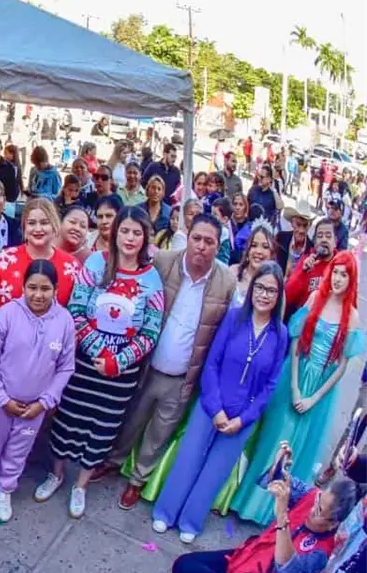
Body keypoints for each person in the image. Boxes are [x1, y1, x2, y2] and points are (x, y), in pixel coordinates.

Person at [96, 213, 236, 508]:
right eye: (196, 238)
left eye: (209, 242)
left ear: (218, 245)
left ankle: (137, 479)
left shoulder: (226, 282)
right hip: (146, 363)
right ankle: (112, 461)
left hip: (184, 376)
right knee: (131, 418)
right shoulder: (164, 263)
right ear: (188, 235)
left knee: (160, 431)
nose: (200, 246)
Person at [39, 207, 165, 518]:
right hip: (84, 365)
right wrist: (99, 352)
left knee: (102, 428)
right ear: (115, 233)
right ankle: (56, 474)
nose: (130, 238)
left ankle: (80, 485)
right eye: (125, 231)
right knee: (68, 419)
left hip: (121, 375)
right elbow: (76, 309)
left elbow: (151, 330)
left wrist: (119, 361)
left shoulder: (152, 280)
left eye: (137, 232)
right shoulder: (96, 264)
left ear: (146, 237)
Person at [153, 262, 289, 543]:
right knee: (188, 459)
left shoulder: (281, 334)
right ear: (252, 289)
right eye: (260, 287)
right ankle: (166, 512)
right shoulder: (234, 318)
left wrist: (244, 419)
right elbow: (212, 363)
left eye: (271, 291)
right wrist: (215, 408)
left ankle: (191, 521)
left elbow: (270, 385)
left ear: (278, 296)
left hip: (242, 418)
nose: (264, 295)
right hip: (212, 406)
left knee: (215, 471)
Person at [232, 252, 362, 525]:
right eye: (335, 272)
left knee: (296, 447)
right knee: (273, 438)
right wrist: (293, 387)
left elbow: (341, 366)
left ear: (351, 279)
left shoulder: (352, 316)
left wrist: (314, 398)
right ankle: (247, 501)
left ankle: (272, 511)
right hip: (295, 374)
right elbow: (294, 344)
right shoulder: (316, 298)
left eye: (344, 274)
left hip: (321, 389)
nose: (338, 279)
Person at [0, 259, 76, 523]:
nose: (38, 295)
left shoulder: (65, 322)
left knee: (17, 452)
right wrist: (2, 399)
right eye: (32, 288)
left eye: (45, 289)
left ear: (56, 289)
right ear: (23, 287)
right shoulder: (7, 314)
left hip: (33, 409)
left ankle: (5, 490)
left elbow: (65, 368)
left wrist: (45, 402)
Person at [172, 443, 360, 573]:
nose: (312, 510)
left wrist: (281, 516)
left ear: (333, 524)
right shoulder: (311, 495)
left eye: (319, 512)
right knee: (186, 564)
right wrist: (279, 466)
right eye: (318, 500)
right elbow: (273, 482)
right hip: (248, 557)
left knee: (187, 571)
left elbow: (287, 570)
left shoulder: (320, 553)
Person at [0, 198, 80, 338]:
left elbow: (78, 312)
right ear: (24, 228)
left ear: (55, 226)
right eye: (31, 223)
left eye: (44, 222)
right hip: (6, 346)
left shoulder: (72, 267)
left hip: (51, 349)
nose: (38, 229)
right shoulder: (3, 260)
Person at [284, 218, 339, 315]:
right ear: (315, 242)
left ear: (335, 242)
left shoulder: (340, 266)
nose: (324, 239)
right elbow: (287, 297)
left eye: (328, 236)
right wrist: (302, 272)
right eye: (320, 236)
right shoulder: (305, 261)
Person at [276, 207, 313, 276]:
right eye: (298, 225)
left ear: (309, 226)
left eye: (305, 226)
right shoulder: (281, 238)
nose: (301, 230)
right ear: (292, 223)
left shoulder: (312, 248)